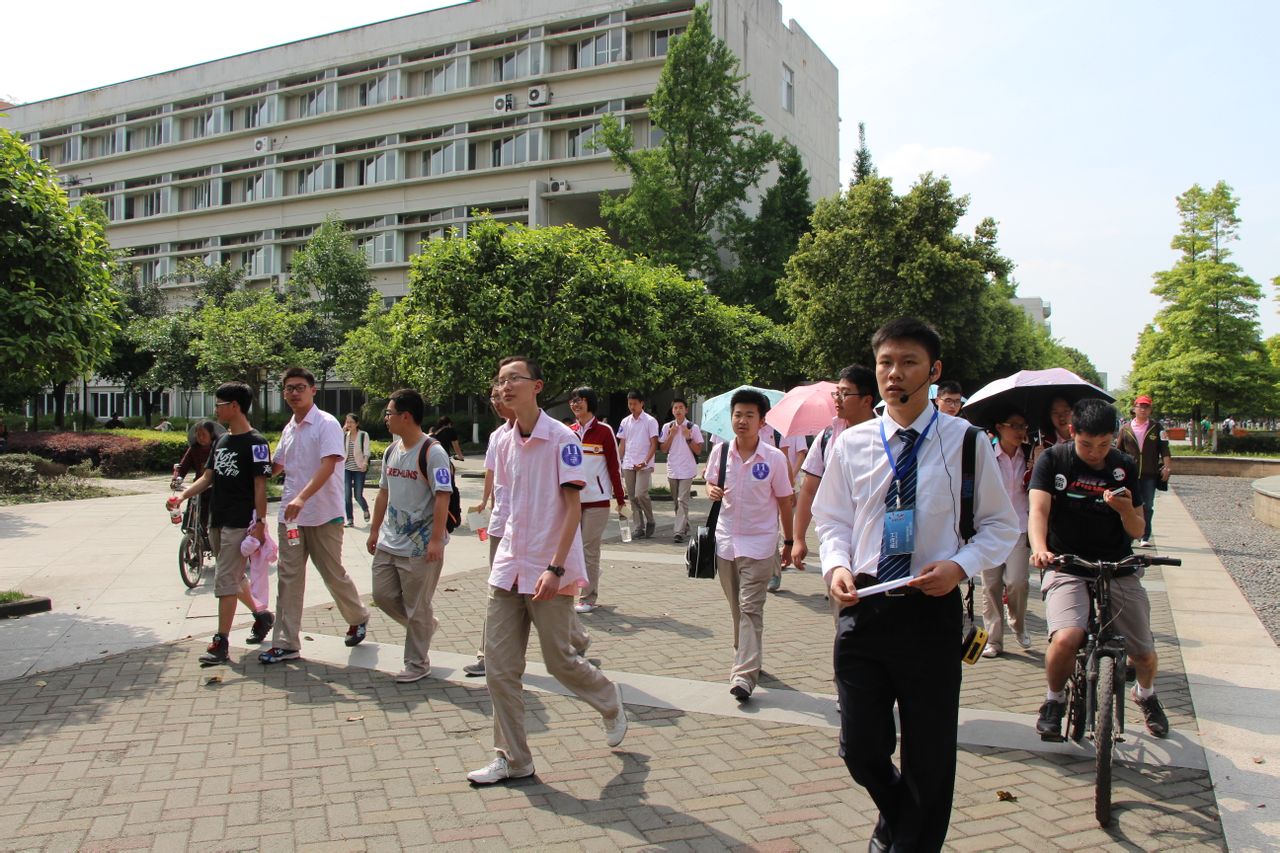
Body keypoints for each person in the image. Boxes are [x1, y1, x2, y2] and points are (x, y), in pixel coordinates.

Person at [812, 317, 1018, 852]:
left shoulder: (968, 442)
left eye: (908, 362)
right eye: (885, 362)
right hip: (864, 607)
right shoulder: (851, 444)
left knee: (929, 754)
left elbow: (1001, 525)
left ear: (935, 370)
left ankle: (904, 842)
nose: (894, 373)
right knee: (861, 748)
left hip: (931, 612)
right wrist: (834, 565)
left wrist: (960, 566)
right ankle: (903, 820)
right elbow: (831, 519)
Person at [467, 355, 627, 785]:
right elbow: (506, 504)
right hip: (508, 567)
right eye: (500, 381)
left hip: (549, 566)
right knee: (500, 669)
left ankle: (608, 698)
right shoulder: (501, 442)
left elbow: (573, 508)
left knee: (559, 661)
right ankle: (513, 759)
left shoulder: (562, 439)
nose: (505, 387)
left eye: (514, 379)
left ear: (536, 386)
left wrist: (556, 567)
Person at [1030, 398, 1170, 741]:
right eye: (1087, 444)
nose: (1095, 453)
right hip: (1067, 562)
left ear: (1113, 438)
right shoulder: (1053, 459)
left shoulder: (1122, 466)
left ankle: (1146, 695)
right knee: (1066, 638)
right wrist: (1040, 549)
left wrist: (1125, 510)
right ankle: (1054, 700)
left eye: (1104, 444)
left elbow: (1137, 530)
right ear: (1072, 431)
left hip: (1116, 563)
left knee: (1144, 652)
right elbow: (1038, 511)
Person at [259, 367, 371, 664]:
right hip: (291, 518)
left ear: (313, 390)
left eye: (299, 387)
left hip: (324, 515)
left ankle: (358, 615)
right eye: (288, 388)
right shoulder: (289, 428)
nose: (293, 393)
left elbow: (330, 463)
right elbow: (277, 465)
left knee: (332, 572)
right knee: (289, 578)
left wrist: (302, 497)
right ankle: (286, 642)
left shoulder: (326, 424)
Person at [168, 382, 275, 664]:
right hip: (216, 519)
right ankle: (262, 616)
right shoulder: (221, 441)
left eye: (219, 404)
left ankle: (221, 642)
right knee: (234, 578)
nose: (215, 410)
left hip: (240, 522)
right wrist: (182, 496)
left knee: (225, 581)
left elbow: (260, 486)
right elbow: (207, 478)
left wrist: (261, 522)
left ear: (235, 406)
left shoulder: (257, 443)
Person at [704, 388, 795, 700]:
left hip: (759, 545)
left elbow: (785, 501)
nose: (742, 420)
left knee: (750, 608)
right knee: (737, 609)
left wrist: (790, 540)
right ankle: (747, 653)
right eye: (737, 414)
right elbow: (710, 482)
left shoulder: (774, 459)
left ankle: (743, 675)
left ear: (762, 421)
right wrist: (711, 491)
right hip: (725, 543)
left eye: (749, 415)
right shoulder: (721, 452)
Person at [366, 389, 452, 683]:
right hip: (390, 540)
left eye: (389, 413)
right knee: (382, 595)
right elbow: (383, 493)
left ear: (406, 416)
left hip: (420, 546)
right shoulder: (392, 450)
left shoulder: (434, 452)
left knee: (417, 607)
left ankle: (417, 663)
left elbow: (443, 497)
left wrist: (436, 540)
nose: (385, 418)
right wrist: (374, 529)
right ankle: (425, 625)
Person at [791, 364, 878, 617]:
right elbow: (809, 490)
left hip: (873, 541)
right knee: (843, 615)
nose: (837, 400)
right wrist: (797, 539)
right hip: (837, 538)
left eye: (845, 393)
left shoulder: (888, 438)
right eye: (836, 393)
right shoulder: (828, 437)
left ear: (867, 400)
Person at [463, 386, 515, 678]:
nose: (497, 402)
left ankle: (572, 644)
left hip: (533, 529)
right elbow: (492, 474)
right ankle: (487, 655)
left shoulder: (548, 433)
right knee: (497, 589)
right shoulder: (497, 436)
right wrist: (485, 503)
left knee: (546, 596)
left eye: (503, 396)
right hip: (501, 523)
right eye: (494, 397)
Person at [981, 407, 1034, 658]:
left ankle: (1018, 623)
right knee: (990, 585)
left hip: (1020, 528)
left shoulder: (1032, 455)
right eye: (1014, 425)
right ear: (999, 427)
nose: (1019, 431)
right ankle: (994, 640)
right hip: (990, 529)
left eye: (1023, 426)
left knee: (1017, 583)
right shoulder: (986, 454)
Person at [569, 386, 627, 614]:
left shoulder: (604, 431)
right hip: (573, 501)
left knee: (588, 548)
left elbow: (614, 466)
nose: (576, 404)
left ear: (590, 403)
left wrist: (621, 499)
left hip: (598, 500)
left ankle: (588, 597)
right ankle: (590, 574)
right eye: (573, 400)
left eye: (581, 400)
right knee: (576, 549)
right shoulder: (569, 432)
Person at [1116, 395, 1172, 548]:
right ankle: (1128, 535)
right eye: (1140, 406)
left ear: (1150, 410)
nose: (1143, 409)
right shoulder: (1125, 428)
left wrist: (1167, 467)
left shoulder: (1157, 428)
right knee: (1128, 505)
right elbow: (1118, 451)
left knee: (1147, 505)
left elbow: (1165, 449)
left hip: (1149, 473)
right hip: (1130, 475)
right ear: (1134, 408)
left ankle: (1144, 535)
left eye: (1146, 407)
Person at [659, 397, 704, 544]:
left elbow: (698, 451)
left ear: (686, 410)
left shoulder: (693, 427)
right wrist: (671, 435)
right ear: (672, 411)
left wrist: (688, 438)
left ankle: (678, 532)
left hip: (687, 469)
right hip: (673, 468)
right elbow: (663, 449)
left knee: (682, 500)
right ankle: (685, 525)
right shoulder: (667, 427)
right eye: (675, 408)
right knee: (677, 503)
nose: (678, 410)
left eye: (680, 407)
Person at [615, 391, 659, 538]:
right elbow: (622, 444)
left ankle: (650, 520)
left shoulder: (650, 421)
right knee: (632, 497)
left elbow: (654, 444)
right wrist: (618, 462)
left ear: (642, 403)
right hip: (628, 463)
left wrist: (645, 461)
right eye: (630, 404)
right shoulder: (625, 422)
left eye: (634, 403)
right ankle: (638, 527)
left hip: (644, 464)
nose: (632, 406)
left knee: (641, 494)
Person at [172, 420, 220, 540]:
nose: (200, 438)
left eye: (204, 434)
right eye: (198, 435)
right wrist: (176, 479)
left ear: (212, 434)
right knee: (191, 510)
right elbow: (183, 467)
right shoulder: (194, 449)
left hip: (215, 488)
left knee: (212, 514)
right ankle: (191, 534)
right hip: (198, 487)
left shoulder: (218, 449)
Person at [342, 413, 372, 528]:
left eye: (351, 422)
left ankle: (365, 508)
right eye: (347, 422)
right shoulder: (345, 435)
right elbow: (336, 444)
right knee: (347, 495)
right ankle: (350, 519)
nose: (348, 424)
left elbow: (367, 451)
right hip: (347, 468)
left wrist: (365, 462)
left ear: (357, 423)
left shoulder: (363, 435)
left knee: (358, 495)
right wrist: (342, 431)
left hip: (359, 468)